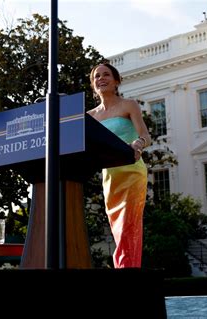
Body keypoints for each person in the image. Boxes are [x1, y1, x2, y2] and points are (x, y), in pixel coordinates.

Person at [88, 62, 151, 268]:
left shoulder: (129, 105)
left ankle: (125, 272)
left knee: (128, 226)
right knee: (117, 228)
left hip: (132, 172)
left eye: (106, 75)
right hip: (109, 177)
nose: (101, 79)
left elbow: (145, 135)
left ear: (116, 81)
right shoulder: (90, 117)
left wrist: (138, 144)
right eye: (97, 76)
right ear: (93, 84)